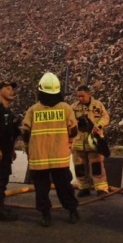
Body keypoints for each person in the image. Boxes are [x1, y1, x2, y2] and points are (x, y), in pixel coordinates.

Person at [22, 72, 80, 227]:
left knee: (41, 189)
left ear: (40, 90)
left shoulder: (33, 110)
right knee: (64, 187)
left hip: (38, 158)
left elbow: (25, 133)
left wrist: (29, 151)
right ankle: (72, 211)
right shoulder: (66, 108)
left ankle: (45, 215)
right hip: (60, 157)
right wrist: (68, 145)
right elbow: (73, 131)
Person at [0, 80, 21, 221]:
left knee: (0, 179)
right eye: (7, 88)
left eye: (12, 89)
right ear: (0, 91)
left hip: (6, 151)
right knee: (0, 180)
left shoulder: (10, 113)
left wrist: (11, 149)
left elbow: (11, 134)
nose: (11, 91)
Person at [71, 85, 110, 198]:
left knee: (97, 167)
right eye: (78, 96)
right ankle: (84, 188)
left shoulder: (97, 105)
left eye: (82, 96)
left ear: (89, 94)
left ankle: (101, 189)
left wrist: (99, 125)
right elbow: (68, 121)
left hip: (93, 142)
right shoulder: (73, 107)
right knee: (80, 168)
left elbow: (105, 117)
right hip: (78, 143)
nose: (80, 99)